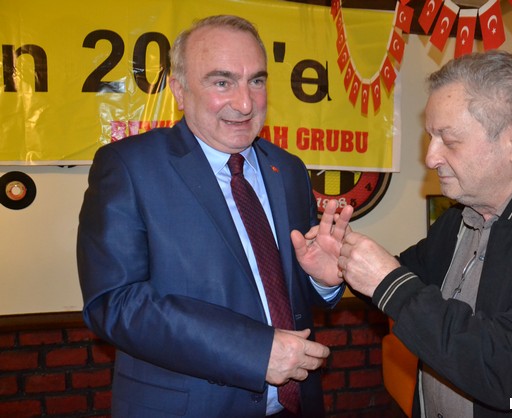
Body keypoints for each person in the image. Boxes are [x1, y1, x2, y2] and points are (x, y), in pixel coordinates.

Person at [302, 51, 512, 416]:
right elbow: (402, 280)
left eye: (449, 140)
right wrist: (342, 265)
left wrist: (387, 281)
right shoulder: (459, 218)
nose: (430, 158)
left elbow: (510, 369)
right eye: (431, 137)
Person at [77, 15, 351, 418]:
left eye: (256, 81)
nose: (245, 103)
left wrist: (321, 281)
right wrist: (254, 351)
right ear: (180, 90)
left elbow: (285, 298)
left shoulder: (288, 169)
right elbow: (114, 303)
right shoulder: (129, 166)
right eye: (222, 82)